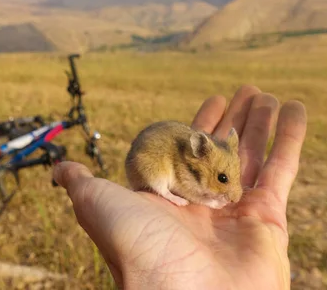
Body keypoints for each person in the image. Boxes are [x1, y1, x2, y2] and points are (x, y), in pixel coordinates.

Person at [52, 85, 307, 289]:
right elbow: (188, 189)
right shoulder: (188, 167)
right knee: (163, 178)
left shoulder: (211, 161)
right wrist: (207, 200)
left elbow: (204, 193)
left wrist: (216, 196)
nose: (232, 191)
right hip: (148, 164)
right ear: (198, 153)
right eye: (222, 180)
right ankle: (163, 193)